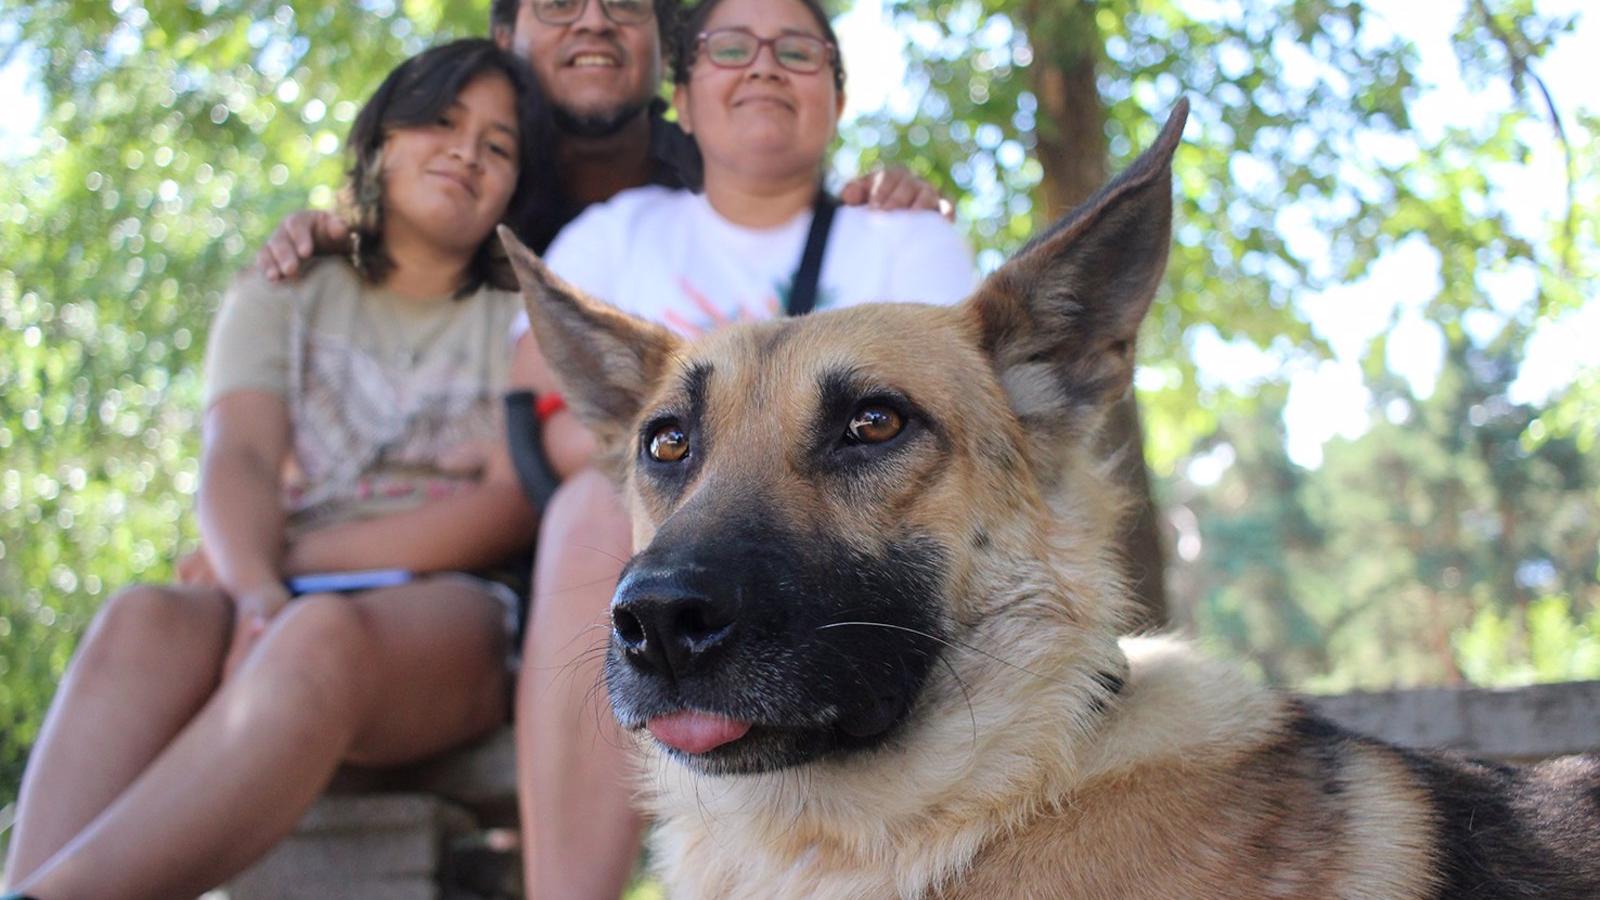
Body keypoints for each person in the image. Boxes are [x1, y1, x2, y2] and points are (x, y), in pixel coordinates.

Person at [1, 39, 551, 900]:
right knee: (144, 615)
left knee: (317, 633)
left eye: (498, 146)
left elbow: (506, 506)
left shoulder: (521, 317)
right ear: (379, 142)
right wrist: (253, 589)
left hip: (452, 607)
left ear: (517, 184)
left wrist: (284, 574)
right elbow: (242, 455)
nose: (466, 153)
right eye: (441, 122)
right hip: (276, 573)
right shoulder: (287, 286)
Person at [511, 0, 978, 896]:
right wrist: (688, 469)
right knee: (590, 506)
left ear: (837, 102)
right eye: (731, 48)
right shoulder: (611, 237)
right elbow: (551, 434)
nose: (763, 65)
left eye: (797, 50)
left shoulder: (905, 235)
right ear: (681, 98)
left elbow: (976, 416)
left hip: (832, 572)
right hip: (615, 544)